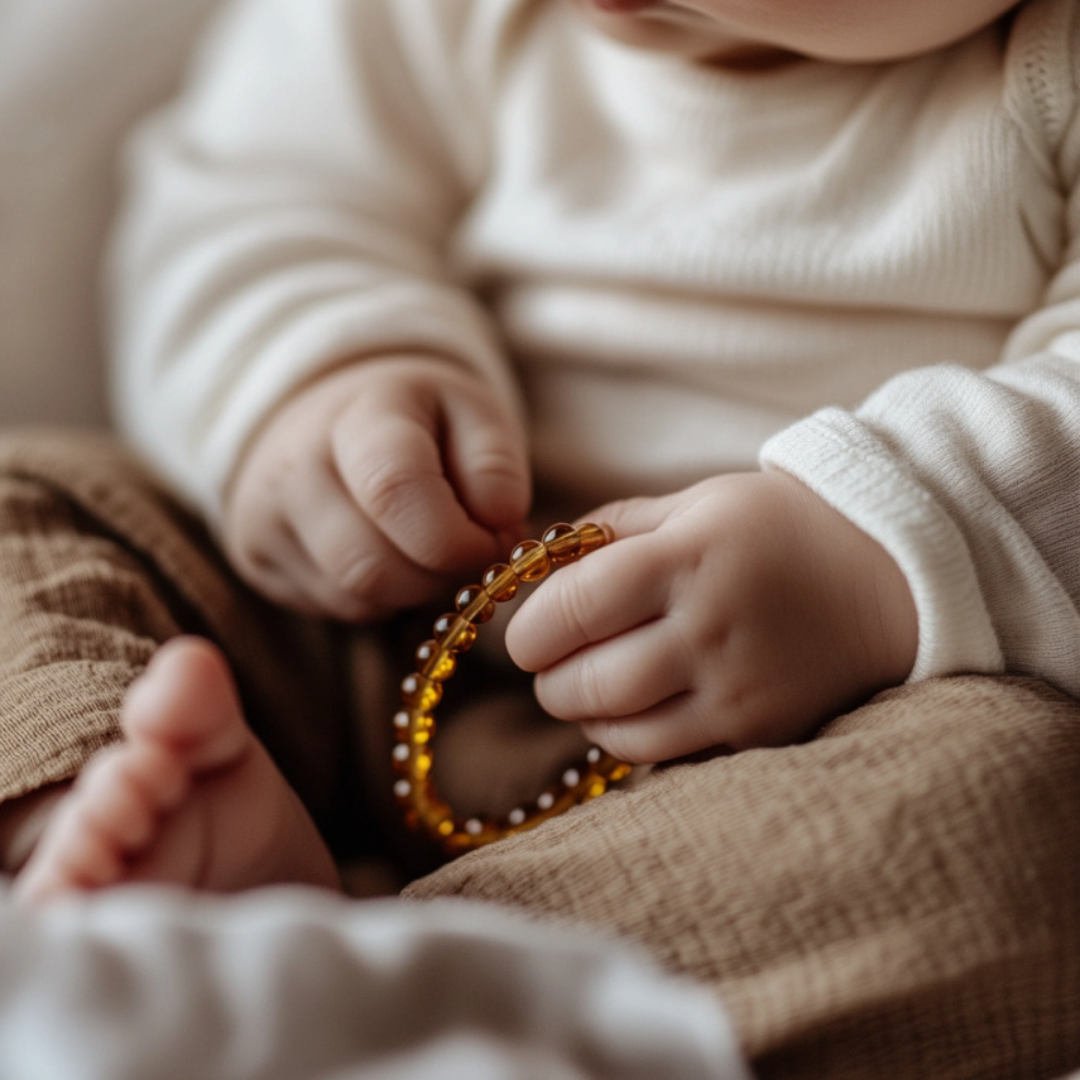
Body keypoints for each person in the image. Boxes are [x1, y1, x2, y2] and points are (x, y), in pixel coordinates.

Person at [4, 0, 1079, 907]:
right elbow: (255, 191)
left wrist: (874, 557)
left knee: (1003, 813)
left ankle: (460, 980)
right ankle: (146, 817)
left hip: (806, 749)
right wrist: (315, 378)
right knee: (32, 512)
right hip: (353, 635)